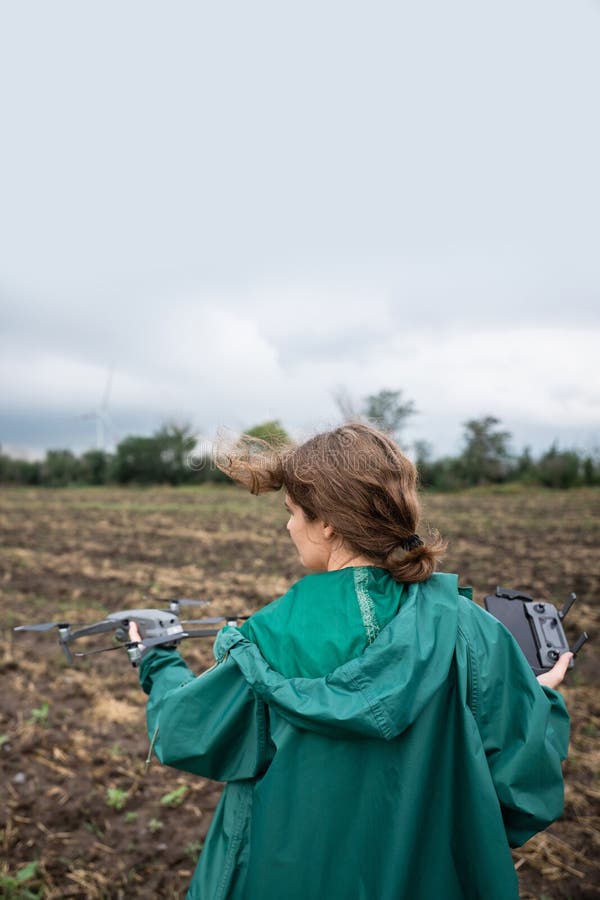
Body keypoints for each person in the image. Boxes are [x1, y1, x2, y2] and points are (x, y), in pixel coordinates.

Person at [130, 423, 571, 900]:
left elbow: (180, 732)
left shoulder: (272, 635)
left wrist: (156, 658)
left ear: (328, 524)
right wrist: (538, 696)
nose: (288, 527)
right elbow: (526, 794)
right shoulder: (477, 633)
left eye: (292, 512)